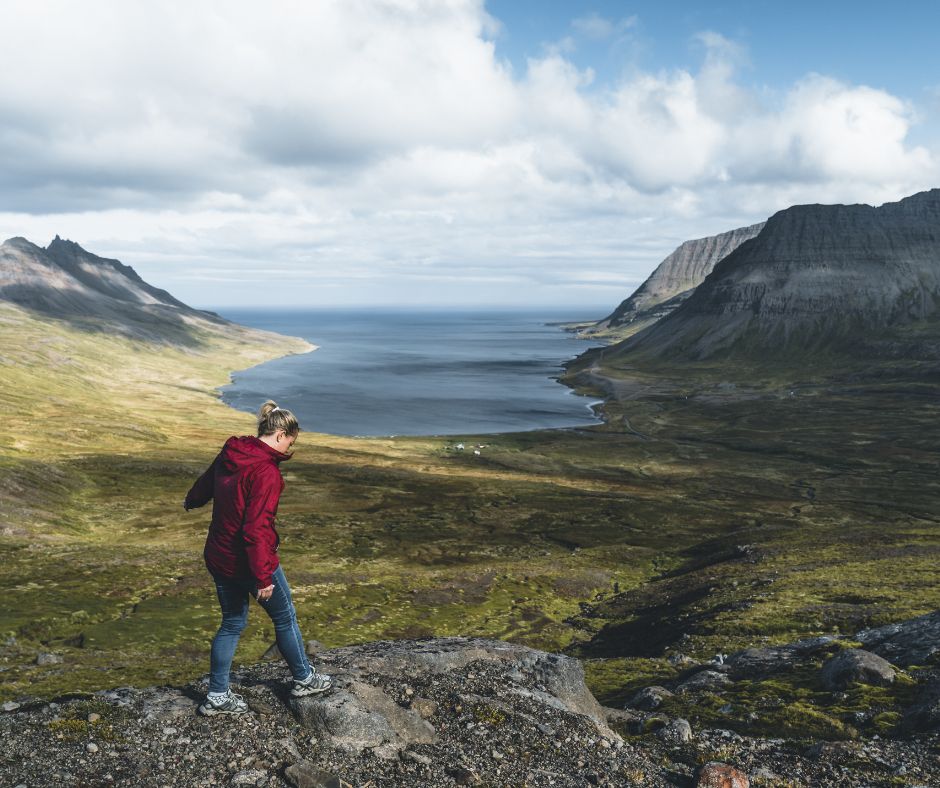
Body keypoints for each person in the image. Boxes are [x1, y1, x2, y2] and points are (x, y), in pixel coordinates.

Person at [184, 400, 332, 716]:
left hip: (220, 556)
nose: (291, 447)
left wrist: (192, 500)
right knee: (285, 615)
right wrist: (263, 576)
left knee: (232, 622)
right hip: (247, 562)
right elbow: (256, 529)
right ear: (281, 434)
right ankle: (305, 679)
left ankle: (217, 695)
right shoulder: (266, 472)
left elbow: (206, 483)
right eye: (292, 440)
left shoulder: (232, 452)